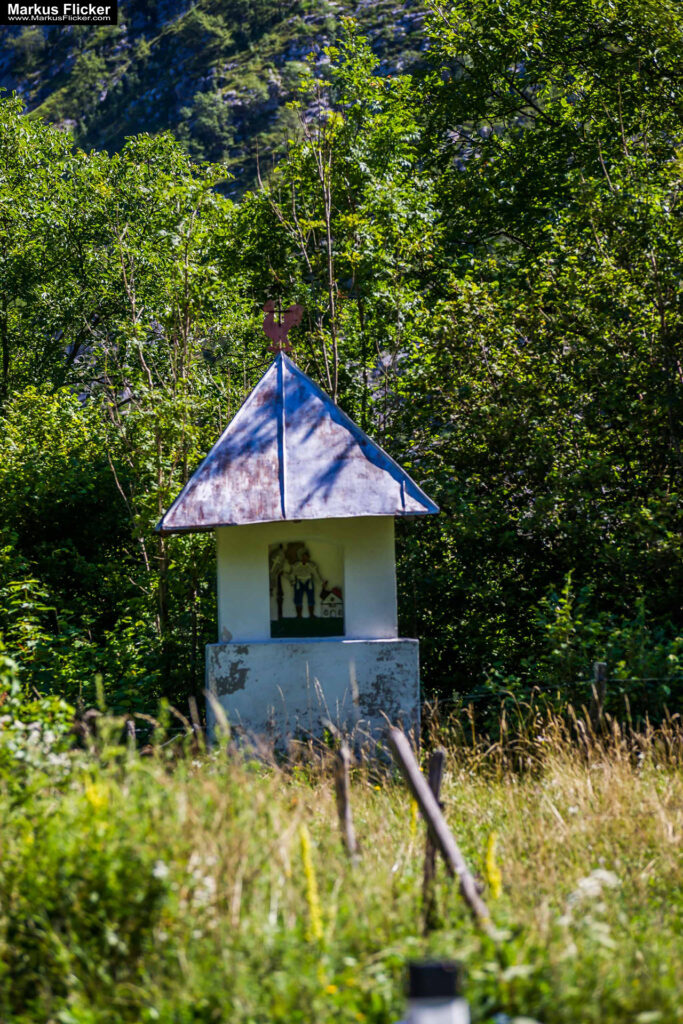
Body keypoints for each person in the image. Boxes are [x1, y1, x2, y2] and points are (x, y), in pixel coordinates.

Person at [286, 546, 323, 619]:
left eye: (306, 556)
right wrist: (293, 581)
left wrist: (321, 583)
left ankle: (311, 615)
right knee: (298, 599)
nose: (304, 558)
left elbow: (316, 575)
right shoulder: (296, 565)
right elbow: (292, 574)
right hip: (299, 583)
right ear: (300, 557)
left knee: (311, 598)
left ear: (308, 557)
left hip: (309, 582)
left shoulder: (312, 565)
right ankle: (299, 615)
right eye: (303, 556)